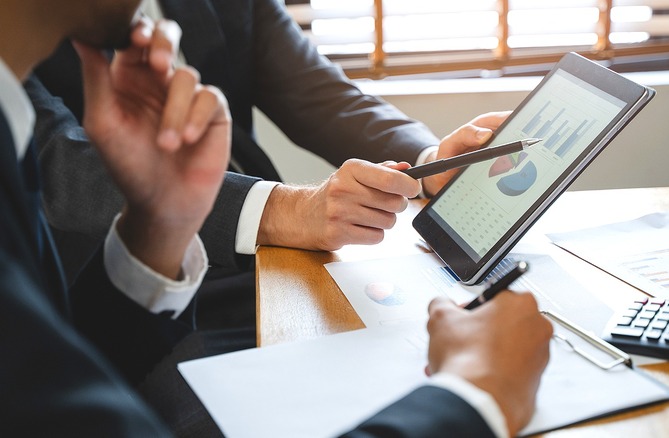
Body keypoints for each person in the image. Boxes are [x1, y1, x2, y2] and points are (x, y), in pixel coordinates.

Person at [1, 1, 553, 436]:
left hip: (177, 287)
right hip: (184, 315)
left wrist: (429, 166)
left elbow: (320, 91)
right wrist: (473, 397)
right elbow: (61, 169)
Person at [28, 0, 510, 288]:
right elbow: (52, 164)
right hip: (111, 294)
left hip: (281, 265)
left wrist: (429, 163)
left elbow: (316, 91)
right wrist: (285, 211)